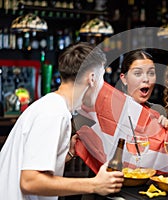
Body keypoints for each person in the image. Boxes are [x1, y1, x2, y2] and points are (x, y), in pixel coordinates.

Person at [0, 42, 124, 200]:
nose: (102, 86)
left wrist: (66, 154)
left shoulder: (50, 105)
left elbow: (32, 166)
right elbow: (30, 182)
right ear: (92, 78)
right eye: (102, 78)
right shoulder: (54, 113)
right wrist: (95, 184)